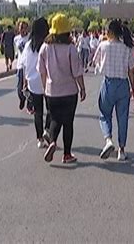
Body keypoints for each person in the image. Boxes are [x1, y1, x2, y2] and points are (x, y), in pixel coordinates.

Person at [38, 14, 86, 164]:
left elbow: (41, 70)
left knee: (55, 119)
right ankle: (66, 154)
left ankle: (52, 141)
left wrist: (44, 87)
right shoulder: (70, 48)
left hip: (52, 91)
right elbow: (77, 71)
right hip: (69, 91)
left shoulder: (45, 47)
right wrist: (82, 88)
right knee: (68, 123)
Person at [94, 20, 134, 161]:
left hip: (109, 82)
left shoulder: (103, 45)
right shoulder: (127, 47)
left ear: (110, 32)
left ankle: (108, 140)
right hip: (123, 84)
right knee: (122, 118)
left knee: (105, 114)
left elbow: (96, 62)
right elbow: (131, 69)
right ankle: (122, 150)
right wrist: (133, 88)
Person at [19, 18, 51, 148]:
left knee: (38, 112)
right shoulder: (48, 45)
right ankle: (47, 130)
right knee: (51, 109)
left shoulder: (28, 45)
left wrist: (25, 82)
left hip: (33, 82)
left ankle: (39, 139)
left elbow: (25, 65)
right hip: (47, 80)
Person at [14, 21, 30, 111]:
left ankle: (29, 102)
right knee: (19, 87)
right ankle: (22, 98)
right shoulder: (16, 39)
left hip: (29, 65)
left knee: (29, 86)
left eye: (24, 28)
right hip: (20, 65)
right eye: (21, 27)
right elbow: (17, 51)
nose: (22, 30)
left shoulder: (30, 38)